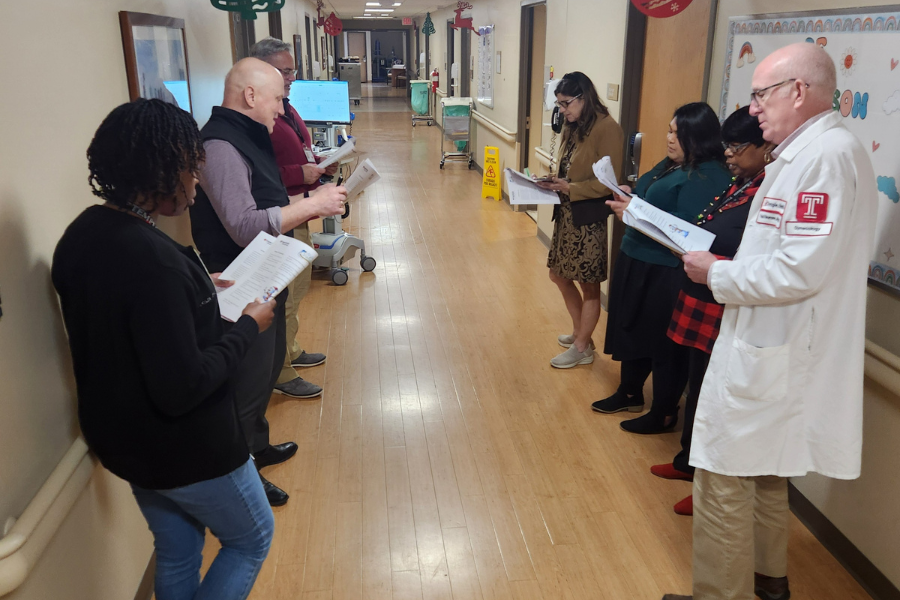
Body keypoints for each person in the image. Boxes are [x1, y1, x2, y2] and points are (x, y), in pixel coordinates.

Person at [663, 43, 878, 600]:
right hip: (772, 350)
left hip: (775, 353)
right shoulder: (807, 154)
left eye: (760, 94)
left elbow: (797, 271)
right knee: (762, 473)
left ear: (798, 91)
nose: (752, 108)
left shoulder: (824, 159)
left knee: (723, 480)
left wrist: (715, 272)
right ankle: (767, 585)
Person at [52, 98, 277, 600]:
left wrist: (198, 286)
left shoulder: (84, 234)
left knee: (177, 549)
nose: (196, 185)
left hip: (124, 440)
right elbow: (185, 384)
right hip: (186, 449)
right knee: (251, 540)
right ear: (160, 170)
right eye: (190, 170)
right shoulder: (153, 262)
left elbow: (130, 314)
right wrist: (248, 326)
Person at [189, 58, 347, 506]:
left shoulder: (247, 134)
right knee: (246, 382)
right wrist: (313, 205)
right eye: (277, 98)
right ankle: (242, 477)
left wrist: (308, 196)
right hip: (238, 282)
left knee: (267, 366)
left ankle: (257, 447)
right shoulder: (220, 145)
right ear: (250, 95)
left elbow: (266, 196)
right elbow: (243, 225)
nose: (282, 107)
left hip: (266, 273)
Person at [649, 106, 774, 516]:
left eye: (736, 147)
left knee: (712, 395)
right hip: (702, 294)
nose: (729, 155)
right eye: (726, 147)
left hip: (724, 301)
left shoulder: (769, 191)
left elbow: (757, 259)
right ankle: (688, 461)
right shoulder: (742, 182)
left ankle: (705, 482)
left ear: (765, 146)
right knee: (697, 383)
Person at [594, 102, 731, 435]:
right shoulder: (673, 163)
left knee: (662, 341)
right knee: (633, 327)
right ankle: (630, 392)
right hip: (638, 257)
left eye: (677, 133)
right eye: (669, 131)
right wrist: (631, 195)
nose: (669, 138)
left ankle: (664, 411)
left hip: (665, 269)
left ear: (697, 137)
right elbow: (647, 192)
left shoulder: (708, 174)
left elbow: (685, 230)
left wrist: (635, 212)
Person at [251, 37, 337, 400]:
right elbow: (260, 173)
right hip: (280, 211)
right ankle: (282, 370)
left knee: (298, 287)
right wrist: (300, 173)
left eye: (292, 71)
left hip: (299, 205)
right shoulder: (258, 118)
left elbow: (298, 148)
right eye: (283, 71)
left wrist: (317, 162)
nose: (290, 78)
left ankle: (291, 349)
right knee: (286, 291)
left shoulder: (285, 108)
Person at [535, 71, 625, 369]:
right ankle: (579, 333)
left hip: (588, 219)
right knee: (558, 274)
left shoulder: (607, 128)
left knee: (589, 285)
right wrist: (555, 181)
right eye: (559, 105)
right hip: (567, 215)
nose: (562, 110)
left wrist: (570, 188)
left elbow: (609, 183)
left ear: (583, 98)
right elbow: (573, 168)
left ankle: (583, 346)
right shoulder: (575, 126)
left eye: (566, 104)